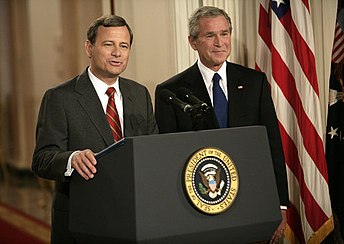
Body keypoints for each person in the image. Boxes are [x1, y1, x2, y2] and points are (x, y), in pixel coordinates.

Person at [155, 6, 288, 242]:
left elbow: (271, 145)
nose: (220, 42)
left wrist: (280, 204)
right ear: (193, 42)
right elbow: (167, 157)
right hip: (198, 206)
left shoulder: (254, 82)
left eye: (224, 34)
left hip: (250, 202)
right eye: (210, 35)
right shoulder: (171, 91)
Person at [32, 15, 158, 243]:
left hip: (133, 220)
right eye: (108, 44)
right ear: (89, 48)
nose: (117, 53)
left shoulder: (139, 94)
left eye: (124, 46)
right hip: (83, 224)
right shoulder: (60, 97)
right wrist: (71, 159)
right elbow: (41, 159)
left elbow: (152, 151)